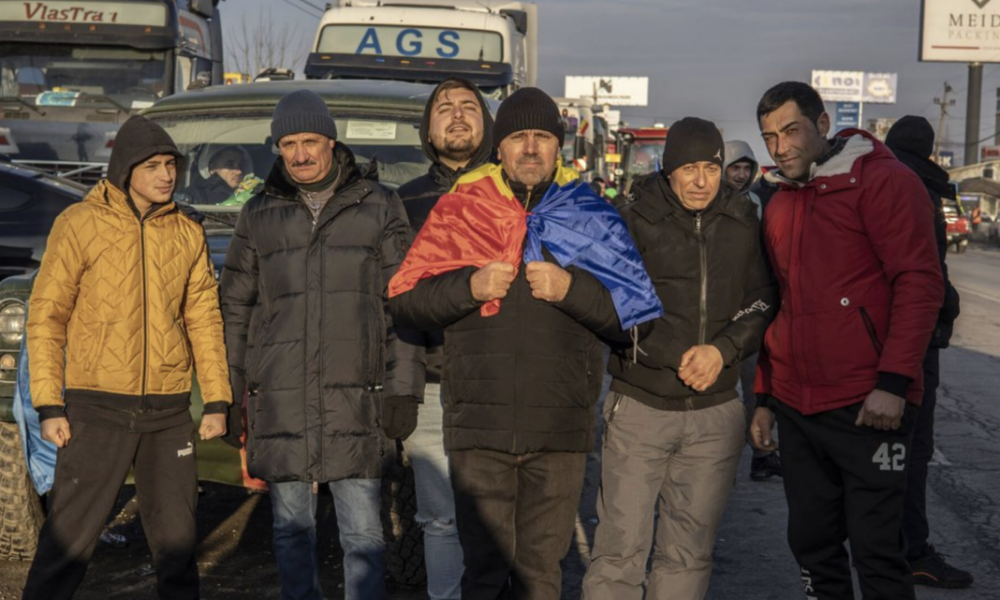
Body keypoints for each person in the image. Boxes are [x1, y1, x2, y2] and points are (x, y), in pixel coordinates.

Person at [389, 87, 659, 600]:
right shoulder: (461, 210)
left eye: (542, 138)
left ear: (559, 149)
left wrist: (572, 290)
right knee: (483, 576)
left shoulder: (591, 213)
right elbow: (405, 301)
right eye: (518, 138)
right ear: (500, 147)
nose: (531, 148)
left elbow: (633, 323)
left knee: (540, 577)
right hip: (478, 429)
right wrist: (468, 286)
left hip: (558, 430)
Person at [219, 89, 423, 600]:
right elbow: (235, 311)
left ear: (332, 142)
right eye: (288, 143)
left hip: (356, 398)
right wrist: (228, 393)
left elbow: (404, 306)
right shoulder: (257, 213)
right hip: (281, 400)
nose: (300, 154)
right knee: (291, 530)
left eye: (310, 140)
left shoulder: (379, 205)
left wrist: (403, 390)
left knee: (362, 535)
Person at [21, 115, 233, 600]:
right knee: (66, 546)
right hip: (96, 408)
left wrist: (218, 399)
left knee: (178, 549)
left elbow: (204, 319)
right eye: (154, 166)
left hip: (168, 412)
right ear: (125, 170)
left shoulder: (186, 233)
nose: (166, 175)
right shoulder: (78, 225)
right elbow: (47, 317)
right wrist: (49, 404)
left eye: (171, 165)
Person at [750, 82, 944, 600]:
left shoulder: (884, 182)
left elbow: (920, 283)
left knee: (877, 551)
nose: (780, 146)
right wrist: (765, 398)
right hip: (796, 404)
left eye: (791, 130)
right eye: (769, 137)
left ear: (822, 123)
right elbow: (780, 303)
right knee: (812, 546)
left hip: (868, 403)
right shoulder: (779, 203)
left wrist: (895, 382)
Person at [582, 118, 777, 600]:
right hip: (641, 407)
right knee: (619, 552)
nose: (700, 180)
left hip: (715, 413)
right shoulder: (631, 218)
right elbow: (613, 308)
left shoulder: (742, 220)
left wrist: (722, 351)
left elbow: (762, 297)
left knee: (689, 555)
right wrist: (676, 356)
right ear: (669, 170)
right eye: (688, 168)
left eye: (710, 168)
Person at [393, 76, 496, 600]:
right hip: (432, 383)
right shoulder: (404, 202)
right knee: (440, 520)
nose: (457, 115)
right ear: (427, 131)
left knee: (500, 516)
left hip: (501, 381)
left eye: (469, 106)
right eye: (444, 109)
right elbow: (392, 298)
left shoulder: (514, 192)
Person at [885, 115, 971, 589]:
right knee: (910, 451)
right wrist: (946, 309)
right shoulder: (920, 186)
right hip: (914, 339)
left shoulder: (879, 179)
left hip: (887, 336)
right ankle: (908, 552)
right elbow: (926, 271)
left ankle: (890, 547)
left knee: (891, 452)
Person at [722, 139, 782, 482]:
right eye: (735, 168)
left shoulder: (757, 203)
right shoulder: (710, 202)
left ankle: (762, 454)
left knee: (756, 386)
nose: (741, 175)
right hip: (718, 311)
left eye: (747, 168)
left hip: (750, 309)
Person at [179, 145, 262, 205]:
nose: (239, 171)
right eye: (230, 165)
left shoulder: (255, 192)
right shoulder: (193, 196)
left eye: (241, 165)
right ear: (211, 168)